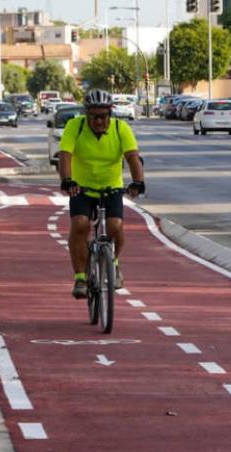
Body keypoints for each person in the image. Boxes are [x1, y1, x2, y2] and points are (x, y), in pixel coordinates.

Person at [58, 89, 145, 300]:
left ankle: (113, 262)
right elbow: (65, 155)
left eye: (103, 116)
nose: (98, 121)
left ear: (110, 114)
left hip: (111, 187)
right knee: (80, 225)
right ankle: (80, 277)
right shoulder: (75, 126)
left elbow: (133, 157)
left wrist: (138, 181)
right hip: (81, 188)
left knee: (115, 226)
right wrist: (67, 180)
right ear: (86, 114)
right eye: (93, 116)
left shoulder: (120, 128)